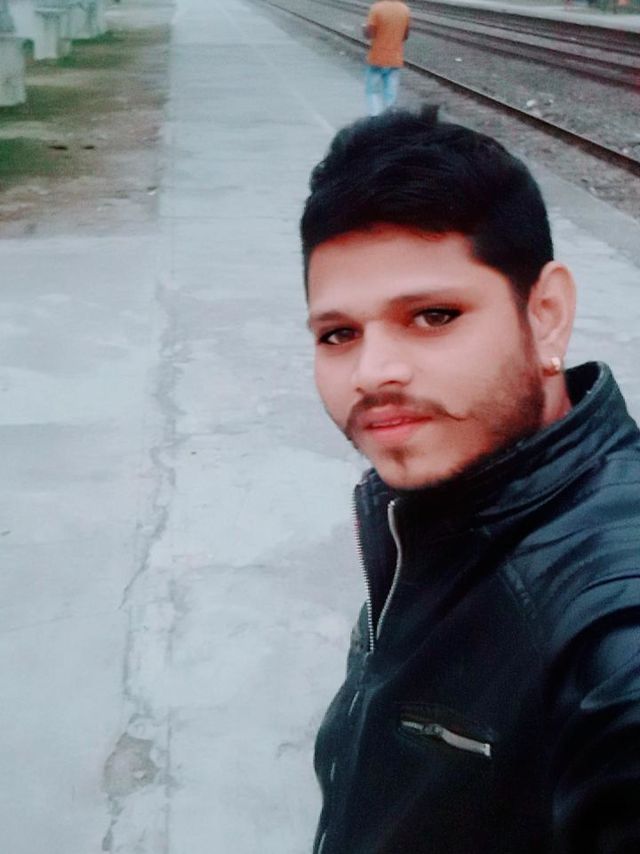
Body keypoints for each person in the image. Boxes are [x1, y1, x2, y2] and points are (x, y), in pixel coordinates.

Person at [300, 106, 640, 854]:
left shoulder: (611, 624)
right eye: (339, 333)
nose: (371, 372)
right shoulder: (433, 510)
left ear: (545, 315)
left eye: (433, 315)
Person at [363, 0, 410, 116]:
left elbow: (369, 34)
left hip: (377, 58)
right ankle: (388, 119)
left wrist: (364, 28)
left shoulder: (376, 8)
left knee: (372, 91)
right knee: (390, 95)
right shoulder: (405, 9)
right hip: (395, 59)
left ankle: (375, 117)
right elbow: (405, 36)